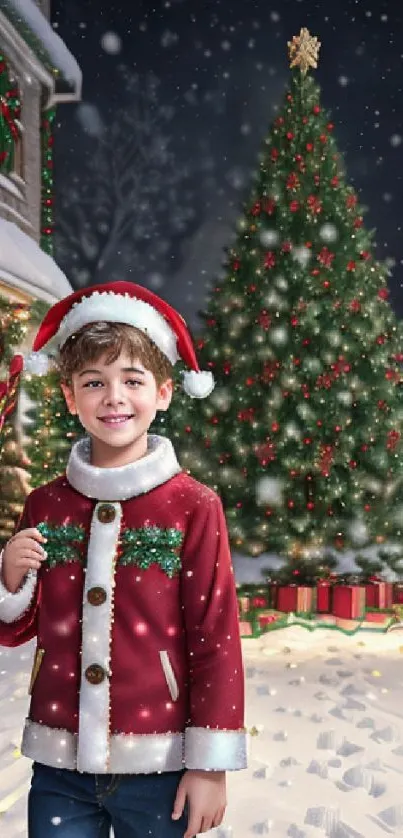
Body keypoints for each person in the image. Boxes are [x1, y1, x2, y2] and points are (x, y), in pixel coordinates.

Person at [0, 281, 246, 838]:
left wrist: (209, 763)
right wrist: (10, 579)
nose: (113, 397)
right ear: (70, 396)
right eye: (94, 382)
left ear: (163, 392)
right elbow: (18, 628)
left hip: (158, 764)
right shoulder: (46, 504)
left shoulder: (193, 507)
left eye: (131, 380)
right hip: (58, 763)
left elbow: (216, 637)